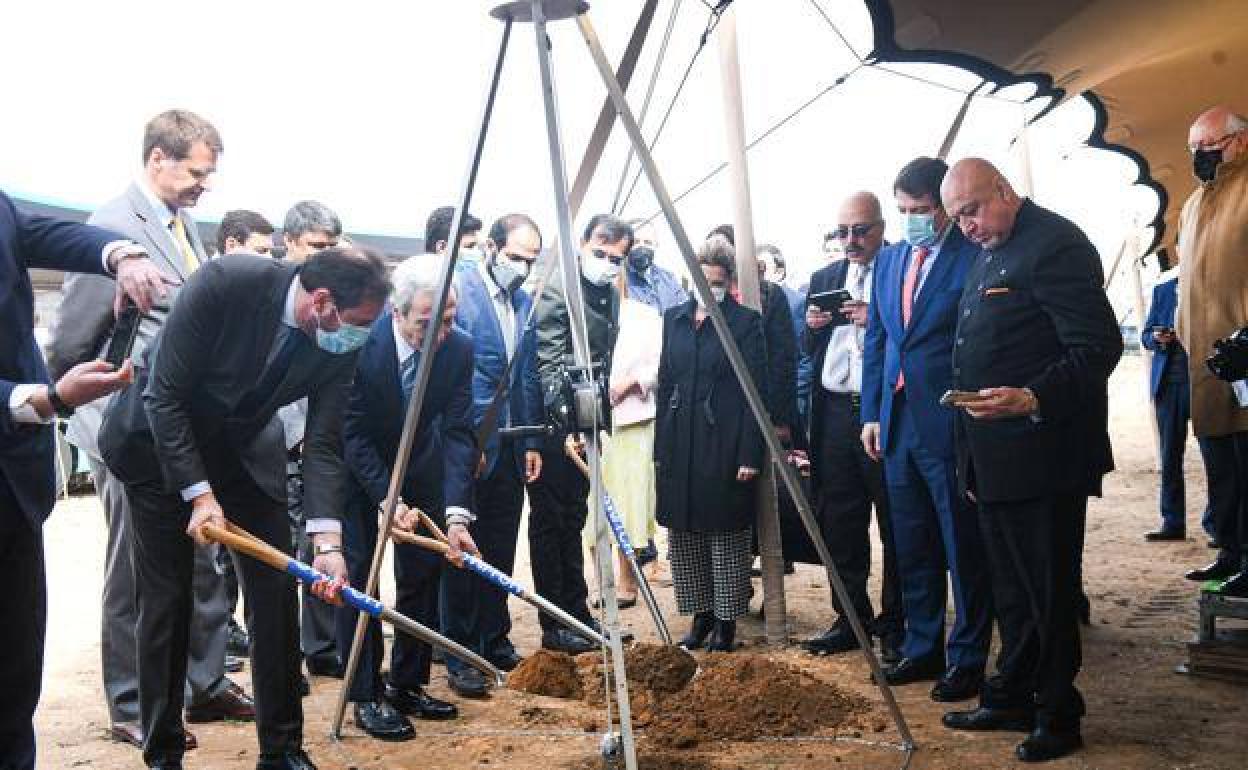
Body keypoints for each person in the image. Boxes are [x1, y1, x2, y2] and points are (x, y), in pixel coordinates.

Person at [99, 247, 391, 770]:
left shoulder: (340, 338)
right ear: (322, 302)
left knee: (275, 590)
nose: (362, 337)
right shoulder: (229, 281)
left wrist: (328, 542)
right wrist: (199, 495)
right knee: (168, 600)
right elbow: (163, 397)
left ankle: (282, 751)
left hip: (241, 452)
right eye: (359, 324)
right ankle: (163, 749)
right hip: (157, 446)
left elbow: (324, 443)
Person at [45, 109, 253, 751]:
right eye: (196, 171)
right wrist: (96, 417)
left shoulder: (183, 225)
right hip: (127, 431)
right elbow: (73, 341)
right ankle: (133, 701)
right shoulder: (111, 228)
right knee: (137, 571)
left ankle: (204, 680)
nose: (204, 186)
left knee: (203, 558)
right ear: (158, 159)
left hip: (181, 431)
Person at [938, 158, 1121, 763]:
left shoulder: (1055, 244)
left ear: (1006, 191)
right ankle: (1011, 692)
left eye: (972, 210)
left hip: (1044, 456)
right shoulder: (989, 249)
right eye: (957, 217)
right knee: (1011, 590)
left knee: (1046, 591)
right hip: (992, 457)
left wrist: (1034, 396)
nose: (965, 226)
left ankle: (1058, 714)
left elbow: (1097, 347)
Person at [0, 189, 170, 770]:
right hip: (25, 412)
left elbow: (40, 232)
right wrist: (46, 397)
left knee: (16, 666)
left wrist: (122, 254)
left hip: (15, 486)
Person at [860, 157, 992, 702]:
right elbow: (878, 341)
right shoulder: (889, 262)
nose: (911, 219)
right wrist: (870, 412)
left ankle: (967, 657)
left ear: (944, 209)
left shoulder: (971, 257)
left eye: (919, 210)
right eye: (903, 211)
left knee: (961, 544)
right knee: (910, 542)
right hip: (895, 425)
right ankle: (921, 646)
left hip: (948, 422)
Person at [337, 256, 478, 741]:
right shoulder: (361, 343)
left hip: (420, 466)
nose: (441, 332)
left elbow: (460, 431)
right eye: (428, 321)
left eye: (449, 319)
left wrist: (456, 512)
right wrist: (384, 496)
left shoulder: (458, 349)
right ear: (396, 313)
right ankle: (366, 694)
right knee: (361, 580)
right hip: (358, 476)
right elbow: (349, 431)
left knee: (420, 576)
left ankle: (408, 683)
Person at [440, 213, 544, 696]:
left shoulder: (522, 302)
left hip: (509, 445)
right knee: (462, 551)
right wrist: (466, 445)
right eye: (515, 257)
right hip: (467, 445)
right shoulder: (461, 292)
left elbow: (523, 378)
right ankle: (459, 650)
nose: (521, 268)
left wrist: (529, 442)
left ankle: (494, 638)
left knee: (500, 547)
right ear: (492, 248)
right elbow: (451, 377)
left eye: (530, 260)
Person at [800, 192, 904, 664]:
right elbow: (805, 346)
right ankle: (851, 618)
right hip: (833, 412)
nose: (851, 241)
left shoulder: (899, 268)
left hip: (883, 409)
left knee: (896, 522)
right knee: (840, 521)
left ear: (882, 227)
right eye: (842, 232)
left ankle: (897, 624)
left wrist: (873, 317)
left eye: (860, 230)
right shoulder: (825, 277)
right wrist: (815, 323)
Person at [655, 234, 767, 652]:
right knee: (684, 535)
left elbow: (756, 392)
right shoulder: (674, 319)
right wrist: (661, 447)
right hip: (680, 439)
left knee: (725, 536)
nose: (710, 290)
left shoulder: (745, 323)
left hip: (725, 441)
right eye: (703, 281)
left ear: (729, 282)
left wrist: (749, 454)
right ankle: (699, 616)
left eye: (718, 282)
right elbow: (667, 380)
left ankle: (725, 622)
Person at [529, 214, 629, 654]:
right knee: (551, 523)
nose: (608, 264)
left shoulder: (608, 291)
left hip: (587, 422)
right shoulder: (557, 287)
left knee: (573, 519)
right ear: (583, 243)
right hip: (558, 428)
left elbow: (603, 359)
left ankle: (577, 615)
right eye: (601, 253)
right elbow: (548, 360)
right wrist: (565, 426)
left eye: (616, 258)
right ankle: (556, 623)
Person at [1176, 106, 1248, 595]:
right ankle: (1230, 552)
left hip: (1245, 359)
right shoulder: (1191, 204)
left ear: (1240, 142)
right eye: (1194, 150)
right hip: (1204, 360)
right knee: (1221, 464)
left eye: (1210, 146)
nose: (1200, 157)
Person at [277, 200, 347, 680]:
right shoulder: (268, 297)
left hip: (316, 445)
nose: (324, 256)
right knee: (276, 553)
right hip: (269, 447)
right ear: (290, 243)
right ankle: (281, 656)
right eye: (315, 247)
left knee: (320, 544)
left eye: (331, 247)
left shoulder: (336, 305)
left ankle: (321, 646)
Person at [597, 237, 664, 607]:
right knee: (595, 505)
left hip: (634, 419)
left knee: (631, 503)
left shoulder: (645, 316)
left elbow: (661, 363)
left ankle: (628, 579)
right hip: (592, 423)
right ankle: (601, 582)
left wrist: (631, 383)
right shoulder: (580, 316)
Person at [1141, 274, 1219, 542]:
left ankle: (1217, 524)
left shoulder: (1210, 287)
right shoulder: (1162, 290)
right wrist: (1157, 338)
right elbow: (1145, 336)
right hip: (1168, 386)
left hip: (1204, 384)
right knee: (1170, 457)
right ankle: (1172, 522)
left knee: (1214, 458)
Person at [624, 218, 687, 313]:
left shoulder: (669, 279)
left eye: (648, 242)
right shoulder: (617, 279)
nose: (642, 247)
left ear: (656, 244)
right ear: (625, 244)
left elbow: (684, 312)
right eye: (636, 242)